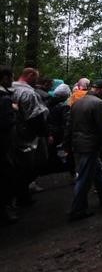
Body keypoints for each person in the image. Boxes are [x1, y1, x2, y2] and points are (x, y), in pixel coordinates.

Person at [66, 79, 102, 221]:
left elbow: (69, 125)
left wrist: (67, 144)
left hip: (78, 143)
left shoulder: (77, 102)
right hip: (90, 145)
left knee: (97, 170)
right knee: (85, 177)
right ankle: (77, 209)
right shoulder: (99, 104)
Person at [12, 67, 49, 206]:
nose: (37, 81)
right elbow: (34, 116)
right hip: (27, 135)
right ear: (30, 75)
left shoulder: (11, 89)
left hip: (14, 134)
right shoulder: (27, 92)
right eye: (36, 77)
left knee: (17, 166)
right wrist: (44, 132)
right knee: (29, 165)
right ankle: (21, 196)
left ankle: (21, 195)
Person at [0, 66, 19, 224]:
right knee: (7, 176)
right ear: (5, 78)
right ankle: (6, 211)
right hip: (4, 144)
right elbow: (6, 123)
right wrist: (15, 110)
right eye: (11, 77)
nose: (12, 81)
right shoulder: (5, 99)